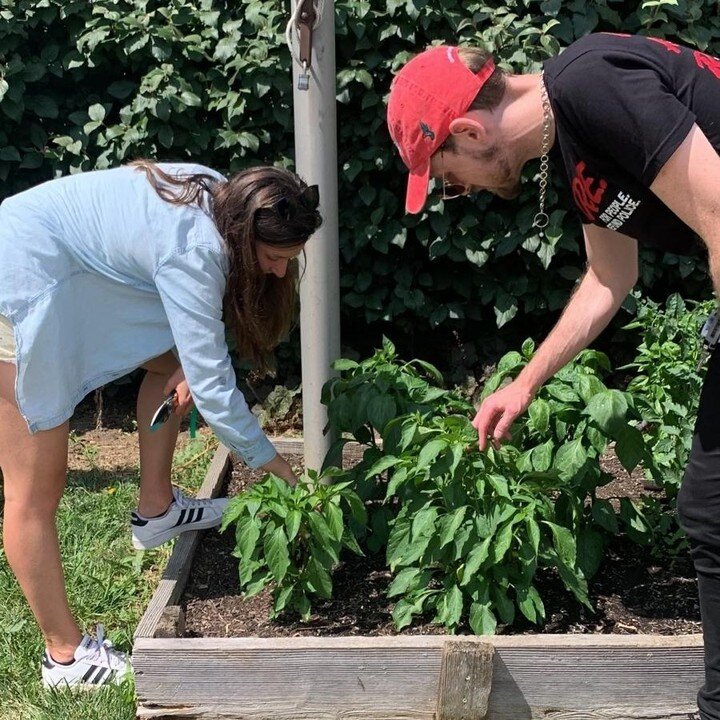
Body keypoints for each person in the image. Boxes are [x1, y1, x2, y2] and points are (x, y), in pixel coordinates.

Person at [387, 33, 720, 719]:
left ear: (469, 130)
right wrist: (527, 381)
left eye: (448, 178)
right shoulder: (572, 149)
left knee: (712, 506)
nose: (460, 192)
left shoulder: (587, 83)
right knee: (710, 508)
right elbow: (610, 276)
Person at [0, 161, 321, 688]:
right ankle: (64, 657)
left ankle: (156, 512)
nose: (280, 273)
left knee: (173, 360)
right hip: (19, 282)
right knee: (35, 489)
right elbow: (217, 394)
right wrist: (285, 476)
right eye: (274, 259)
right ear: (244, 239)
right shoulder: (194, 252)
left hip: (59, 262)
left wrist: (191, 364)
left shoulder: (222, 196)